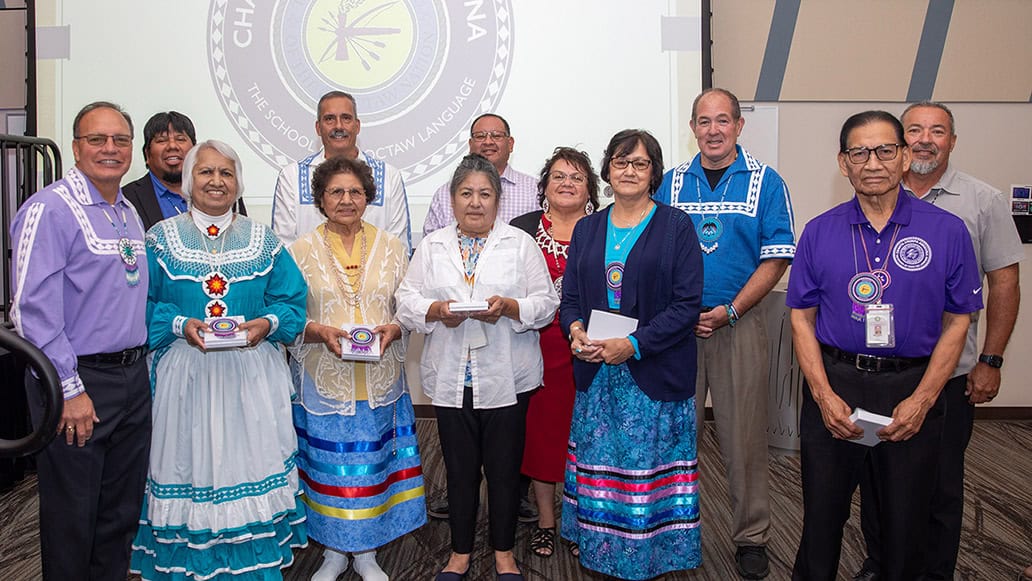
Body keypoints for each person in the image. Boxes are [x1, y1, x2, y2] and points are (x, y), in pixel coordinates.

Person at [787, 110, 982, 580]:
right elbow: (800, 316)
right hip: (835, 385)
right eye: (860, 152)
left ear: (903, 157)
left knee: (906, 522)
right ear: (843, 163)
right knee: (822, 520)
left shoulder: (947, 231)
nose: (872, 162)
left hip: (911, 388)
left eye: (884, 150)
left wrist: (923, 400)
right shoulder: (819, 230)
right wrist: (822, 395)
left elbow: (959, 319)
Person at [853, 102, 1024, 581]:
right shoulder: (874, 191)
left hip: (949, 376)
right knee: (876, 476)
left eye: (939, 131)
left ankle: (934, 572)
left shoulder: (982, 201)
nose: (926, 139)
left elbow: (1004, 284)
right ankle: (880, 562)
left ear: (952, 140)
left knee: (940, 484)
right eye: (915, 131)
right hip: (877, 373)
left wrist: (991, 358)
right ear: (901, 145)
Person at [130, 140, 309, 579]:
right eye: (206, 172)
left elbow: (292, 301)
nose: (216, 181)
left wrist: (266, 324)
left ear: (238, 182)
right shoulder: (159, 240)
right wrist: (177, 325)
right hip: (185, 376)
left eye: (226, 173)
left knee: (249, 461)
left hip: (252, 376)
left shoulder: (263, 240)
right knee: (189, 464)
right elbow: (139, 304)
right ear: (189, 181)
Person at [653, 87, 796, 579]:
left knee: (744, 437)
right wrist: (678, 311)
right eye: (703, 121)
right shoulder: (669, 183)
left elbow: (776, 257)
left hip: (740, 323)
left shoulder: (767, 182)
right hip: (676, 330)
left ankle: (751, 536)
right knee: (675, 435)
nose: (713, 130)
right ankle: (671, 530)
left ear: (738, 125)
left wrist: (731, 310)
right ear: (692, 127)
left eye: (722, 121)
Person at [395, 153, 558, 580]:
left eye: (485, 193)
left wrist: (509, 307)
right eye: (466, 193)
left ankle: (504, 553)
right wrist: (434, 310)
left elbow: (545, 305)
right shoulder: (432, 246)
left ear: (498, 200)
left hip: (508, 376)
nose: (475, 202)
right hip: (452, 379)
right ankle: (460, 553)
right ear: (452, 199)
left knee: (504, 471)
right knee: (460, 471)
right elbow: (406, 301)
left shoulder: (520, 244)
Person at [10, 101, 151, 580]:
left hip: (131, 379)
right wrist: (68, 390)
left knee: (118, 515)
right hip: (77, 381)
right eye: (97, 140)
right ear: (75, 146)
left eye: (119, 140)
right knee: (73, 517)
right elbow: (31, 311)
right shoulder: (49, 209)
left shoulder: (128, 211)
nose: (109, 149)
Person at [561, 129, 704, 580]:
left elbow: (686, 305)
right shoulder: (587, 228)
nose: (629, 171)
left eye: (640, 164)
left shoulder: (677, 227)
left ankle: (650, 557)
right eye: (621, 162)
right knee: (604, 469)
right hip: (598, 375)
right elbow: (570, 299)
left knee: (648, 471)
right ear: (607, 171)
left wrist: (634, 344)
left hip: (653, 373)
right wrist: (575, 329)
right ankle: (602, 555)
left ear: (653, 173)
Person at [287, 155, 426, 581]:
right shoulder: (297, 250)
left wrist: (395, 327)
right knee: (329, 467)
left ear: (367, 197)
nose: (346, 199)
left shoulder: (394, 247)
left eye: (355, 192)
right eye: (336, 192)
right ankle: (332, 550)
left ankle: (366, 552)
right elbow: (288, 315)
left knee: (373, 464)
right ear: (320, 199)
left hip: (380, 377)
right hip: (323, 378)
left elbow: (410, 308)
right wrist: (318, 332)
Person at [509, 147, 601, 558]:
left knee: (588, 438)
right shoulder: (520, 229)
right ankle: (546, 521)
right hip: (535, 347)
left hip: (592, 350)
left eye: (577, 177)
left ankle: (587, 521)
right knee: (543, 437)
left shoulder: (604, 228)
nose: (567, 183)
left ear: (590, 190)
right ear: (544, 185)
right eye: (559, 176)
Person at [273, 91, 411, 250]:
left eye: (346, 118)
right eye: (329, 119)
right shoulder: (291, 176)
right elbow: (283, 248)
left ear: (357, 126)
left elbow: (399, 249)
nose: (338, 126)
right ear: (318, 128)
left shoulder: (389, 176)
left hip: (375, 274)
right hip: (308, 274)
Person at [123, 111, 246, 229]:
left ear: (195, 151)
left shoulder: (221, 191)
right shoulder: (127, 198)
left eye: (180, 139)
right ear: (147, 154)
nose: (172, 146)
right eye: (162, 140)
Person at [422, 113, 539, 236]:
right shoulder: (445, 193)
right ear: (470, 144)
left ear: (510, 144)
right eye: (480, 136)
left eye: (496, 135)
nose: (488, 141)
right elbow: (431, 245)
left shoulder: (534, 190)